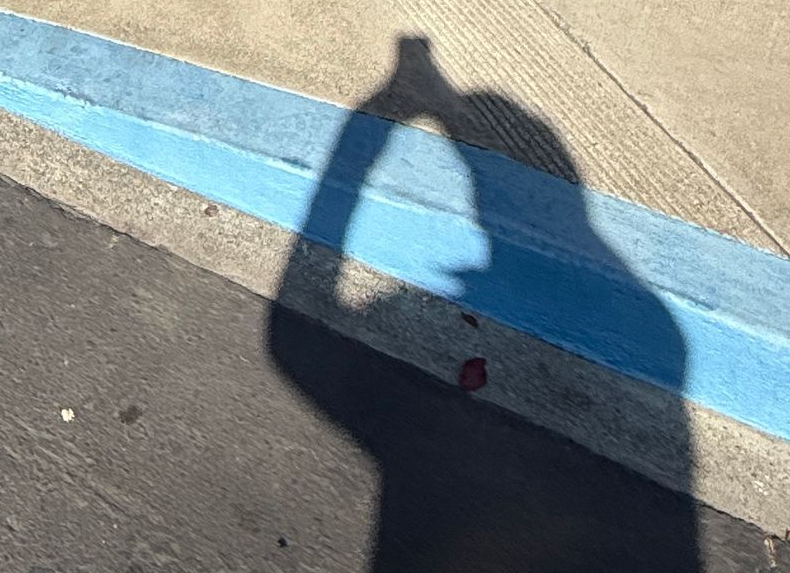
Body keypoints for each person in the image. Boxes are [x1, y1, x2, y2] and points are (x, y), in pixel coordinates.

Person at [269, 33, 702, 569]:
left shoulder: (662, 333)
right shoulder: (658, 330)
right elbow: (288, 336)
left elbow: (290, 330)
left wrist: (381, 114)